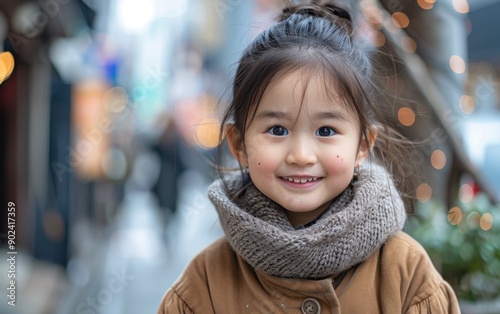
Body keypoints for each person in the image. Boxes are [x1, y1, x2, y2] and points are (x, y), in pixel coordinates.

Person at [157, 1, 460, 313]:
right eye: (277, 130)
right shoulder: (203, 284)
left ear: (363, 145)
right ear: (239, 145)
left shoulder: (407, 275)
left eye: (326, 131)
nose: (301, 156)